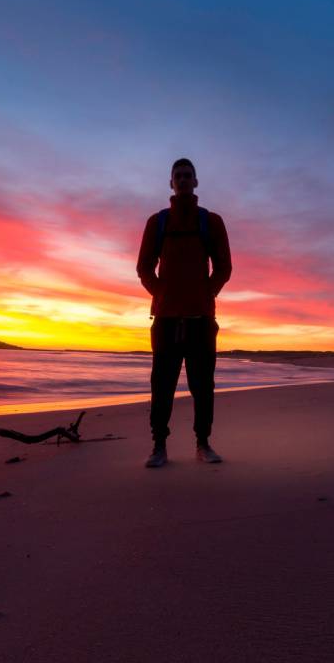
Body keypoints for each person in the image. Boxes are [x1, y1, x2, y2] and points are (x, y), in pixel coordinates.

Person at [135, 157, 232, 468]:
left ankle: (203, 444)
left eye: (188, 175)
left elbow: (224, 267)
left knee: (203, 386)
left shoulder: (211, 221)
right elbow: (144, 267)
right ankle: (158, 446)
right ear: (170, 183)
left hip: (201, 320)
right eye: (178, 175)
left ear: (196, 181)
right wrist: (162, 294)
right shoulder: (158, 222)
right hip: (165, 320)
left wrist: (206, 294)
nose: (183, 179)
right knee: (161, 385)